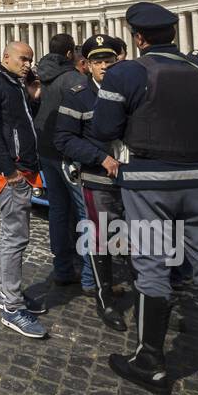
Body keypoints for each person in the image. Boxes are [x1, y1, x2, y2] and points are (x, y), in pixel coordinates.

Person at [90, 2, 198, 395]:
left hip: (150, 184)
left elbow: (103, 128)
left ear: (139, 37)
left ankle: (152, 361)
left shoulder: (127, 72)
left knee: (151, 267)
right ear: (174, 34)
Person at [54, 34, 131, 330]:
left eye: (108, 60)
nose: (104, 66)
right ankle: (104, 298)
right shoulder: (77, 94)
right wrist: (100, 157)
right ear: (87, 65)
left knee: (133, 237)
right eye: (98, 61)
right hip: (96, 176)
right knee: (99, 239)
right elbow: (63, 138)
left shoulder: (129, 90)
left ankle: (145, 295)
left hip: (129, 176)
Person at [0, 40, 47, 338]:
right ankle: (11, 305)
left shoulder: (14, 82)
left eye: (30, 59)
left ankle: (11, 291)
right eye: (22, 58)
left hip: (24, 168)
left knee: (18, 235)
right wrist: (9, 170)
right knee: (14, 237)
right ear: (5, 57)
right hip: (10, 173)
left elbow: (19, 122)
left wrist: (34, 97)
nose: (27, 63)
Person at [33, 33, 89, 291]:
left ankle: (63, 267)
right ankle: (91, 274)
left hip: (46, 149)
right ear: (69, 54)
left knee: (57, 210)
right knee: (84, 211)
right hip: (69, 153)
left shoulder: (41, 76)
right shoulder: (73, 79)